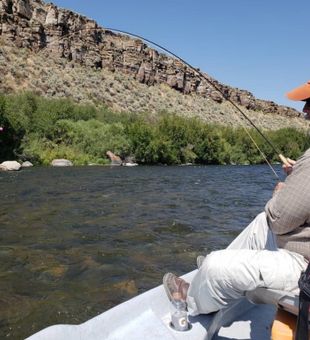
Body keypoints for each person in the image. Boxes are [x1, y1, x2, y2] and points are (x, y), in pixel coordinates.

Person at [163, 81, 310, 316]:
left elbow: (279, 219)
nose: (304, 111)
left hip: (305, 271)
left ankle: (193, 300)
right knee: (261, 223)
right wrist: (299, 178)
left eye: (309, 103)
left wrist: (283, 190)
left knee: (215, 266)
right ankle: (223, 269)